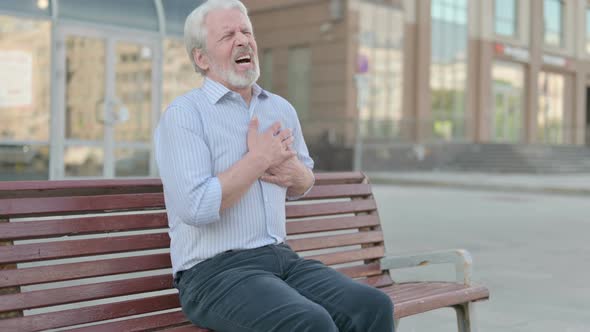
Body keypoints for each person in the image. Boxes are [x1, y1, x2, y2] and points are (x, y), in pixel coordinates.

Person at [154, 0, 394, 331]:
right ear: (201, 58)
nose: (242, 40)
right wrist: (258, 159)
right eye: (227, 35)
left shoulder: (279, 108)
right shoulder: (184, 115)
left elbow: (303, 181)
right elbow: (195, 206)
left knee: (372, 307)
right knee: (310, 323)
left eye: (246, 31)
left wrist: (296, 174)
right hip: (213, 274)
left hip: (281, 259)